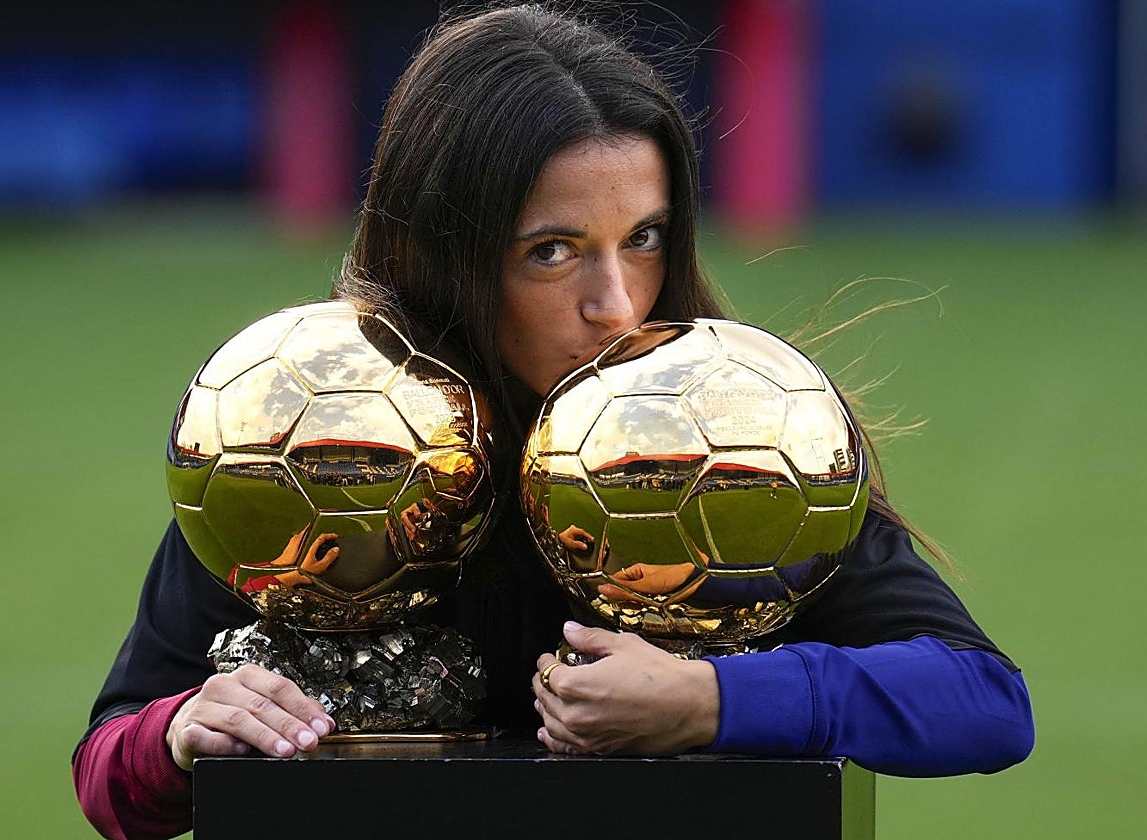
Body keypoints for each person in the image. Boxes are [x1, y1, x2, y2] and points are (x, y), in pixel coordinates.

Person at [73, 5, 1034, 839]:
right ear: (431, 250)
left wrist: (711, 701)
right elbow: (111, 783)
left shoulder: (736, 439)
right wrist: (178, 735)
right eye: (552, 251)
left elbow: (985, 704)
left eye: (644, 238)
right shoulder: (314, 441)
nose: (615, 303)